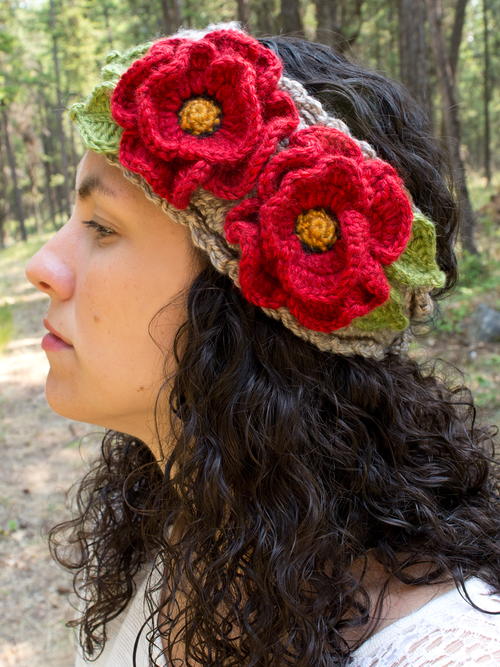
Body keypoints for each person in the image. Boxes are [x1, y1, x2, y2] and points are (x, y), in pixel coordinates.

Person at [25, 21, 499, 667]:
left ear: (245, 308)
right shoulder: (183, 537)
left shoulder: (444, 654)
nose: (44, 264)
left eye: (102, 226)